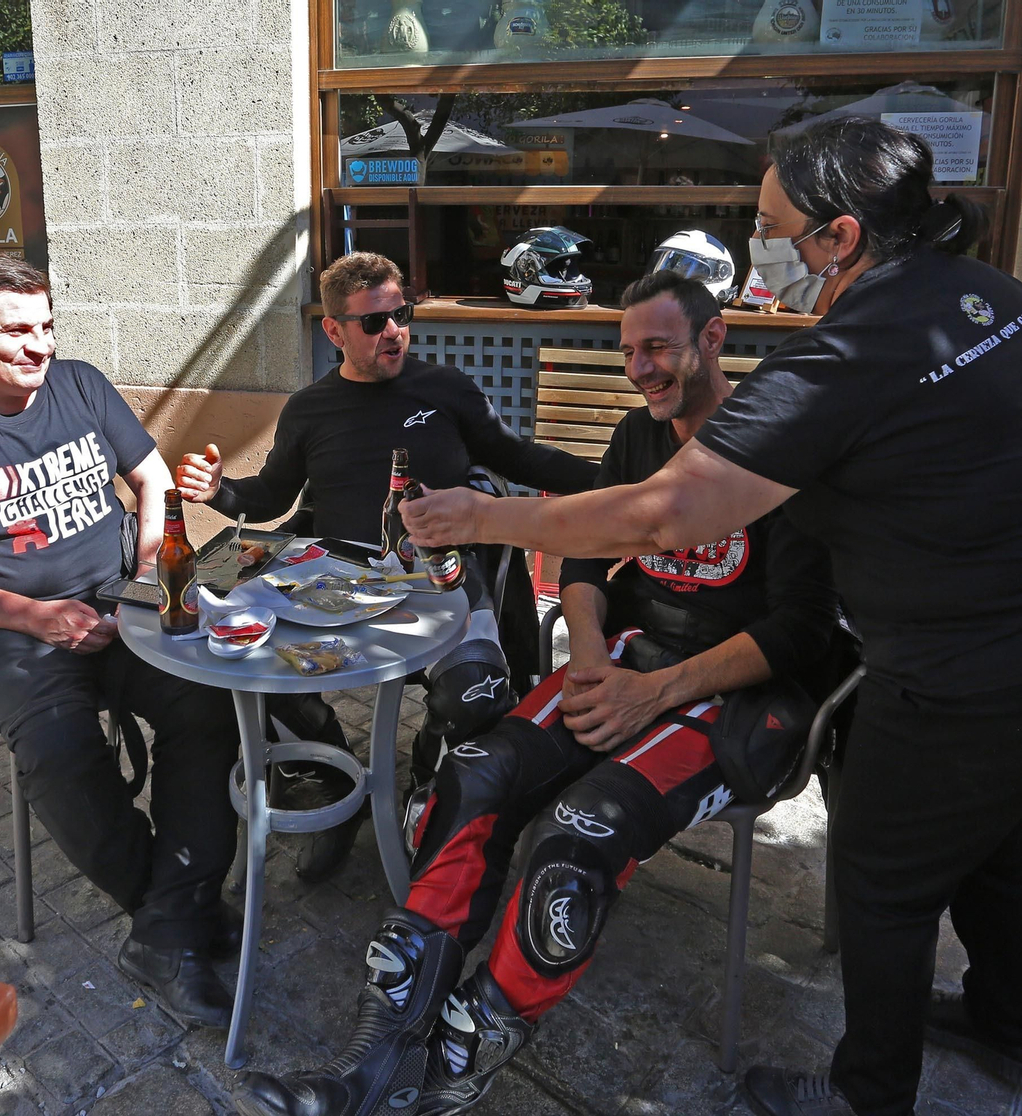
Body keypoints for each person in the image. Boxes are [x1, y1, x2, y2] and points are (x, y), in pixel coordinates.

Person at [400, 118, 1022, 1116]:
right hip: (990, 640)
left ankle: (867, 1096)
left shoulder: (841, 360)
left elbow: (665, 512)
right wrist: (602, 650)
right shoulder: (988, 296)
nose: (757, 247)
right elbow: (608, 557)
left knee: (884, 885)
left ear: (840, 237)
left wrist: (481, 514)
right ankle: (1005, 1015)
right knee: (996, 848)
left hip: (950, 664)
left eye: (772, 227)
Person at [232, 269, 838, 1116]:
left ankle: (455, 1065)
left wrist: (655, 691)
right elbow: (588, 552)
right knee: (474, 770)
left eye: (657, 347)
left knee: (576, 831)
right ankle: (371, 1056)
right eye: (628, 351)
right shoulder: (638, 434)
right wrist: (589, 655)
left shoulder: (781, 453)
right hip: (623, 656)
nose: (640, 368)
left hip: (733, 691)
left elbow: (805, 631)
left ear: (713, 338)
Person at [0, 257, 241, 1029]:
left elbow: (151, 479)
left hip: (121, 600)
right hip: (12, 630)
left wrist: (149, 561)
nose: (39, 345)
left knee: (211, 706)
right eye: (17, 330)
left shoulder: (80, 384)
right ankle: (174, 915)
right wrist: (36, 618)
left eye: (46, 326)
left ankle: (170, 925)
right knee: (63, 754)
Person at [177, 252, 597, 878]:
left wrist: (617, 486)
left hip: (442, 580)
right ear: (335, 331)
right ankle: (334, 780)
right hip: (335, 583)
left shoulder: (445, 389)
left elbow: (521, 458)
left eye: (400, 315)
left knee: (476, 693)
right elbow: (267, 497)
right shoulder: (310, 408)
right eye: (373, 323)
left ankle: (427, 774)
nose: (394, 331)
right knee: (244, 671)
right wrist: (217, 492)